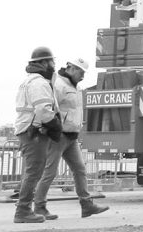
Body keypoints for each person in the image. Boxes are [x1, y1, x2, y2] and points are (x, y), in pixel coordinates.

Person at [33, 58, 108, 220]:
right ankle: (39, 206)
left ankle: (86, 205)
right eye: (80, 72)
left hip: (71, 137)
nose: (83, 75)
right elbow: (48, 108)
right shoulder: (59, 85)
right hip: (58, 136)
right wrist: (50, 128)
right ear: (71, 69)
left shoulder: (76, 87)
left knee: (80, 169)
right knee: (49, 172)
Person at [13, 46, 62, 223]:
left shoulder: (29, 81)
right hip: (33, 132)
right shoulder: (39, 83)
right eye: (51, 61)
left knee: (32, 171)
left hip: (28, 130)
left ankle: (26, 209)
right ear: (42, 63)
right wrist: (55, 125)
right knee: (34, 172)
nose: (54, 65)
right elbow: (43, 110)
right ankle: (23, 211)